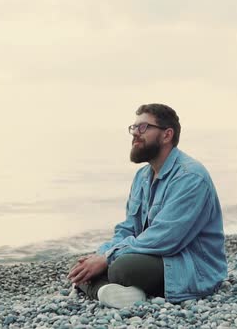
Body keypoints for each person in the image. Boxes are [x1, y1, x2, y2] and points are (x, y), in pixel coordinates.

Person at [67, 103, 227, 308]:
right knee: (80, 268)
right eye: (133, 128)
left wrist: (108, 258)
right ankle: (110, 292)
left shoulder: (190, 177)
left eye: (143, 128)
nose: (135, 134)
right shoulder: (142, 176)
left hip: (189, 266)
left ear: (166, 135)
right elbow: (128, 228)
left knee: (121, 268)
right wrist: (100, 254)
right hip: (153, 255)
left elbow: (165, 238)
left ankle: (103, 287)